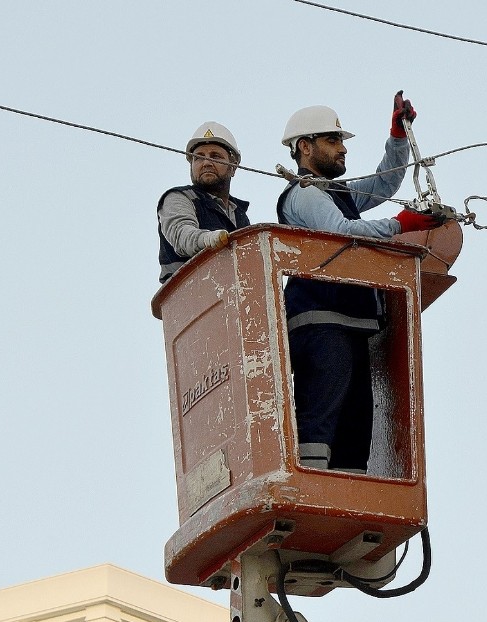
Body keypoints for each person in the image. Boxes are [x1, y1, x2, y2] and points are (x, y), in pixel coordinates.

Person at [277, 93, 443, 473]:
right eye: (333, 141)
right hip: (320, 320)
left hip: (349, 321)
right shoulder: (304, 194)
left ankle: (345, 492)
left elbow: (384, 185)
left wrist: (398, 138)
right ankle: (312, 487)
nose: (342, 150)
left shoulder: (336, 193)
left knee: (354, 425)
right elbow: (343, 231)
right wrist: (402, 225)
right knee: (321, 417)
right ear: (305, 146)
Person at [157, 122, 250, 283]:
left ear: (233, 166)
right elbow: (182, 236)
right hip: (187, 299)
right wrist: (209, 239)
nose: (206, 162)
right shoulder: (179, 198)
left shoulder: (239, 214)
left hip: (228, 298)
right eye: (199, 157)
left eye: (215, 156)